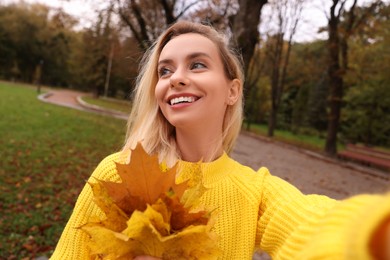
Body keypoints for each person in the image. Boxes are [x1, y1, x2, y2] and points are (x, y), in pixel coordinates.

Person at [51, 21, 390, 260]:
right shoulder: (118, 171)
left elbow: (314, 221)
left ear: (232, 90)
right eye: (165, 71)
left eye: (197, 65)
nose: (177, 78)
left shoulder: (253, 191)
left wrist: (375, 233)